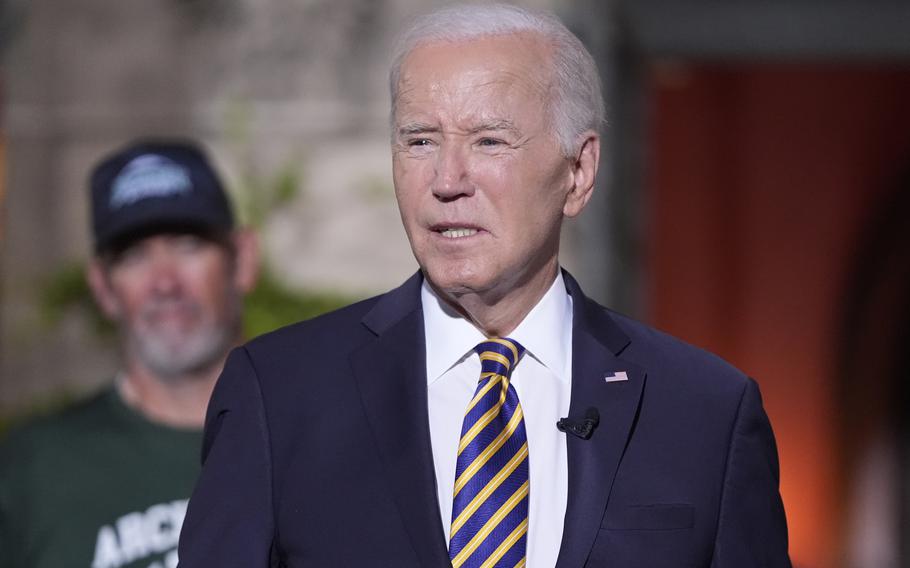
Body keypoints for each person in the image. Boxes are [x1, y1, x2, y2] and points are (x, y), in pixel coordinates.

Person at [177, 4, 790, 567]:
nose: (447, 180)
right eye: (420, 141)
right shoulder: (280, 396)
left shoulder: (706, 414)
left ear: (579, 173)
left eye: (489, 141)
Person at [0, 140, 259, 568]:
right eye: (134, 255)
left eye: (188, 245)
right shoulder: (31, 473)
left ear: (243, 260)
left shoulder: (325, 439)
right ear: (103, 287)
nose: (164, 283)